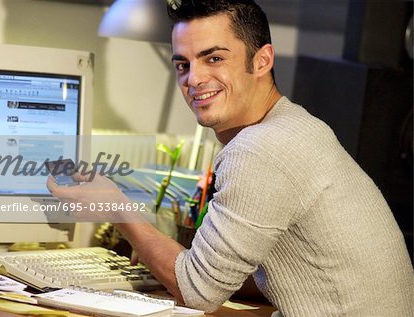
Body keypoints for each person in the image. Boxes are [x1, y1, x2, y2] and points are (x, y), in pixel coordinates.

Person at [47, 1, 414, 316]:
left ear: (262, 60)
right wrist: (171, 257)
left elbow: (197, 293)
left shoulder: (261, 150)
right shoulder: (295, 125)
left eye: (215, 58)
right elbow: (252, 277)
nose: (194, 78)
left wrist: (116, 208)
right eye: (183, 64)